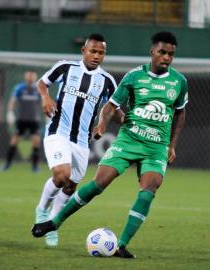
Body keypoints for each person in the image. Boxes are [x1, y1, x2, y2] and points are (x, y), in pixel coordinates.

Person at [31, 31, 188, 259]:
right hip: (127, 140)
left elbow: (180, 115)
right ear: (152, 52)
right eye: (162, 52)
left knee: (148, 190)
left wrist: (172, 146)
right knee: (98, 183)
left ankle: (121, 245)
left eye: (171, 54)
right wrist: (102, 123)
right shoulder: (133, 76)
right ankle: (53, 222)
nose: (166, 58)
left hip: (156, 146)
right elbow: (111, 106)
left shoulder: (179, 81)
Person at [34, 33, 121, 247]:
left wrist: (103, 123)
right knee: (61, 175)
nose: (96, 56)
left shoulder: (107, 81)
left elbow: (111, 107)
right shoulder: (65, 67)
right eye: (93, 51)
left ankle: (53, 223)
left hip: (82, 141)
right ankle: (42, 210)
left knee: (71, 186)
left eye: (101, 53)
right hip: (58, 131)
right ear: (84, 50)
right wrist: (45, 97)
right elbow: (42, 83)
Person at [2, 70, 42, 172]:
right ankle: (7, 164)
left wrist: (47, 115)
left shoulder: (38, 88)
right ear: (25, 76)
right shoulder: (19, 88)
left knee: (36, 142)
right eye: (28, 75)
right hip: (21, 119)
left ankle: (35, 166)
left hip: (34, 119)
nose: (30, 77)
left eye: (32, 75)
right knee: (14, 140)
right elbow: (12, 101)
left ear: (35, 76)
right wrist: (10, 112)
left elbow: (43, 102)